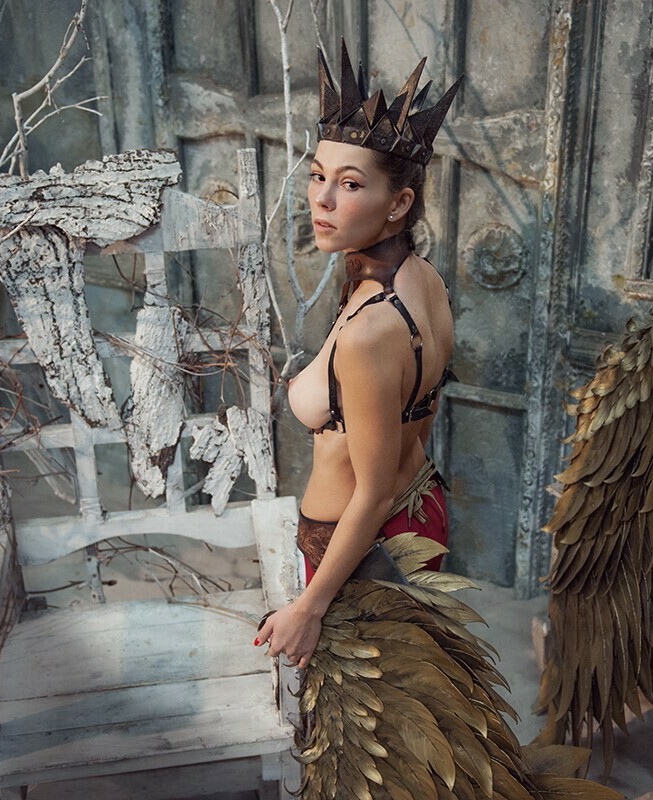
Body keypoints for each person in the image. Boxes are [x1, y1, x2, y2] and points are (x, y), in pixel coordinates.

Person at [254, 41, 463, 670]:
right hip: (417, 512)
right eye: (318, 175)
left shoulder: (371, 332)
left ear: (398, 203)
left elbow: (369, 495)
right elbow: (414, 412)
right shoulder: (421, 279)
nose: (321, 199)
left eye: (349, 184)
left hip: (362, 557)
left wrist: (308, 608)